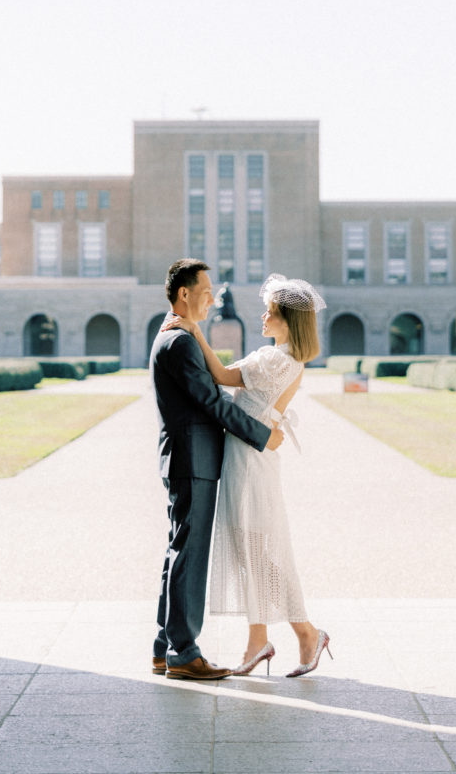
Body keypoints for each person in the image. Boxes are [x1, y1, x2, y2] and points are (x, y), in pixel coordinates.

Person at [165, 273, 331, 678]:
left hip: (251, 460)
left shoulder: (274, 358)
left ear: (288, 320)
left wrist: (194, 330)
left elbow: (220, 377)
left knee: (255, 547)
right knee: (249, 549)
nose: (262, 316)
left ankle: (301, 632)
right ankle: (267, 637)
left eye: (270, 312)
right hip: (248, 454)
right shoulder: (283, 358)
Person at [150, 259, 284, 681]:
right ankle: (184, 653)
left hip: (188, 459)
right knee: (189, 555)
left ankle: (164, 647)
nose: (213, 297)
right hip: (193, 461)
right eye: (205, 290)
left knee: (179, 552)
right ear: (184, 294)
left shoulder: (178, 336)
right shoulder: (179, 342)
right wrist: (261, 434)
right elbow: (213, 404)